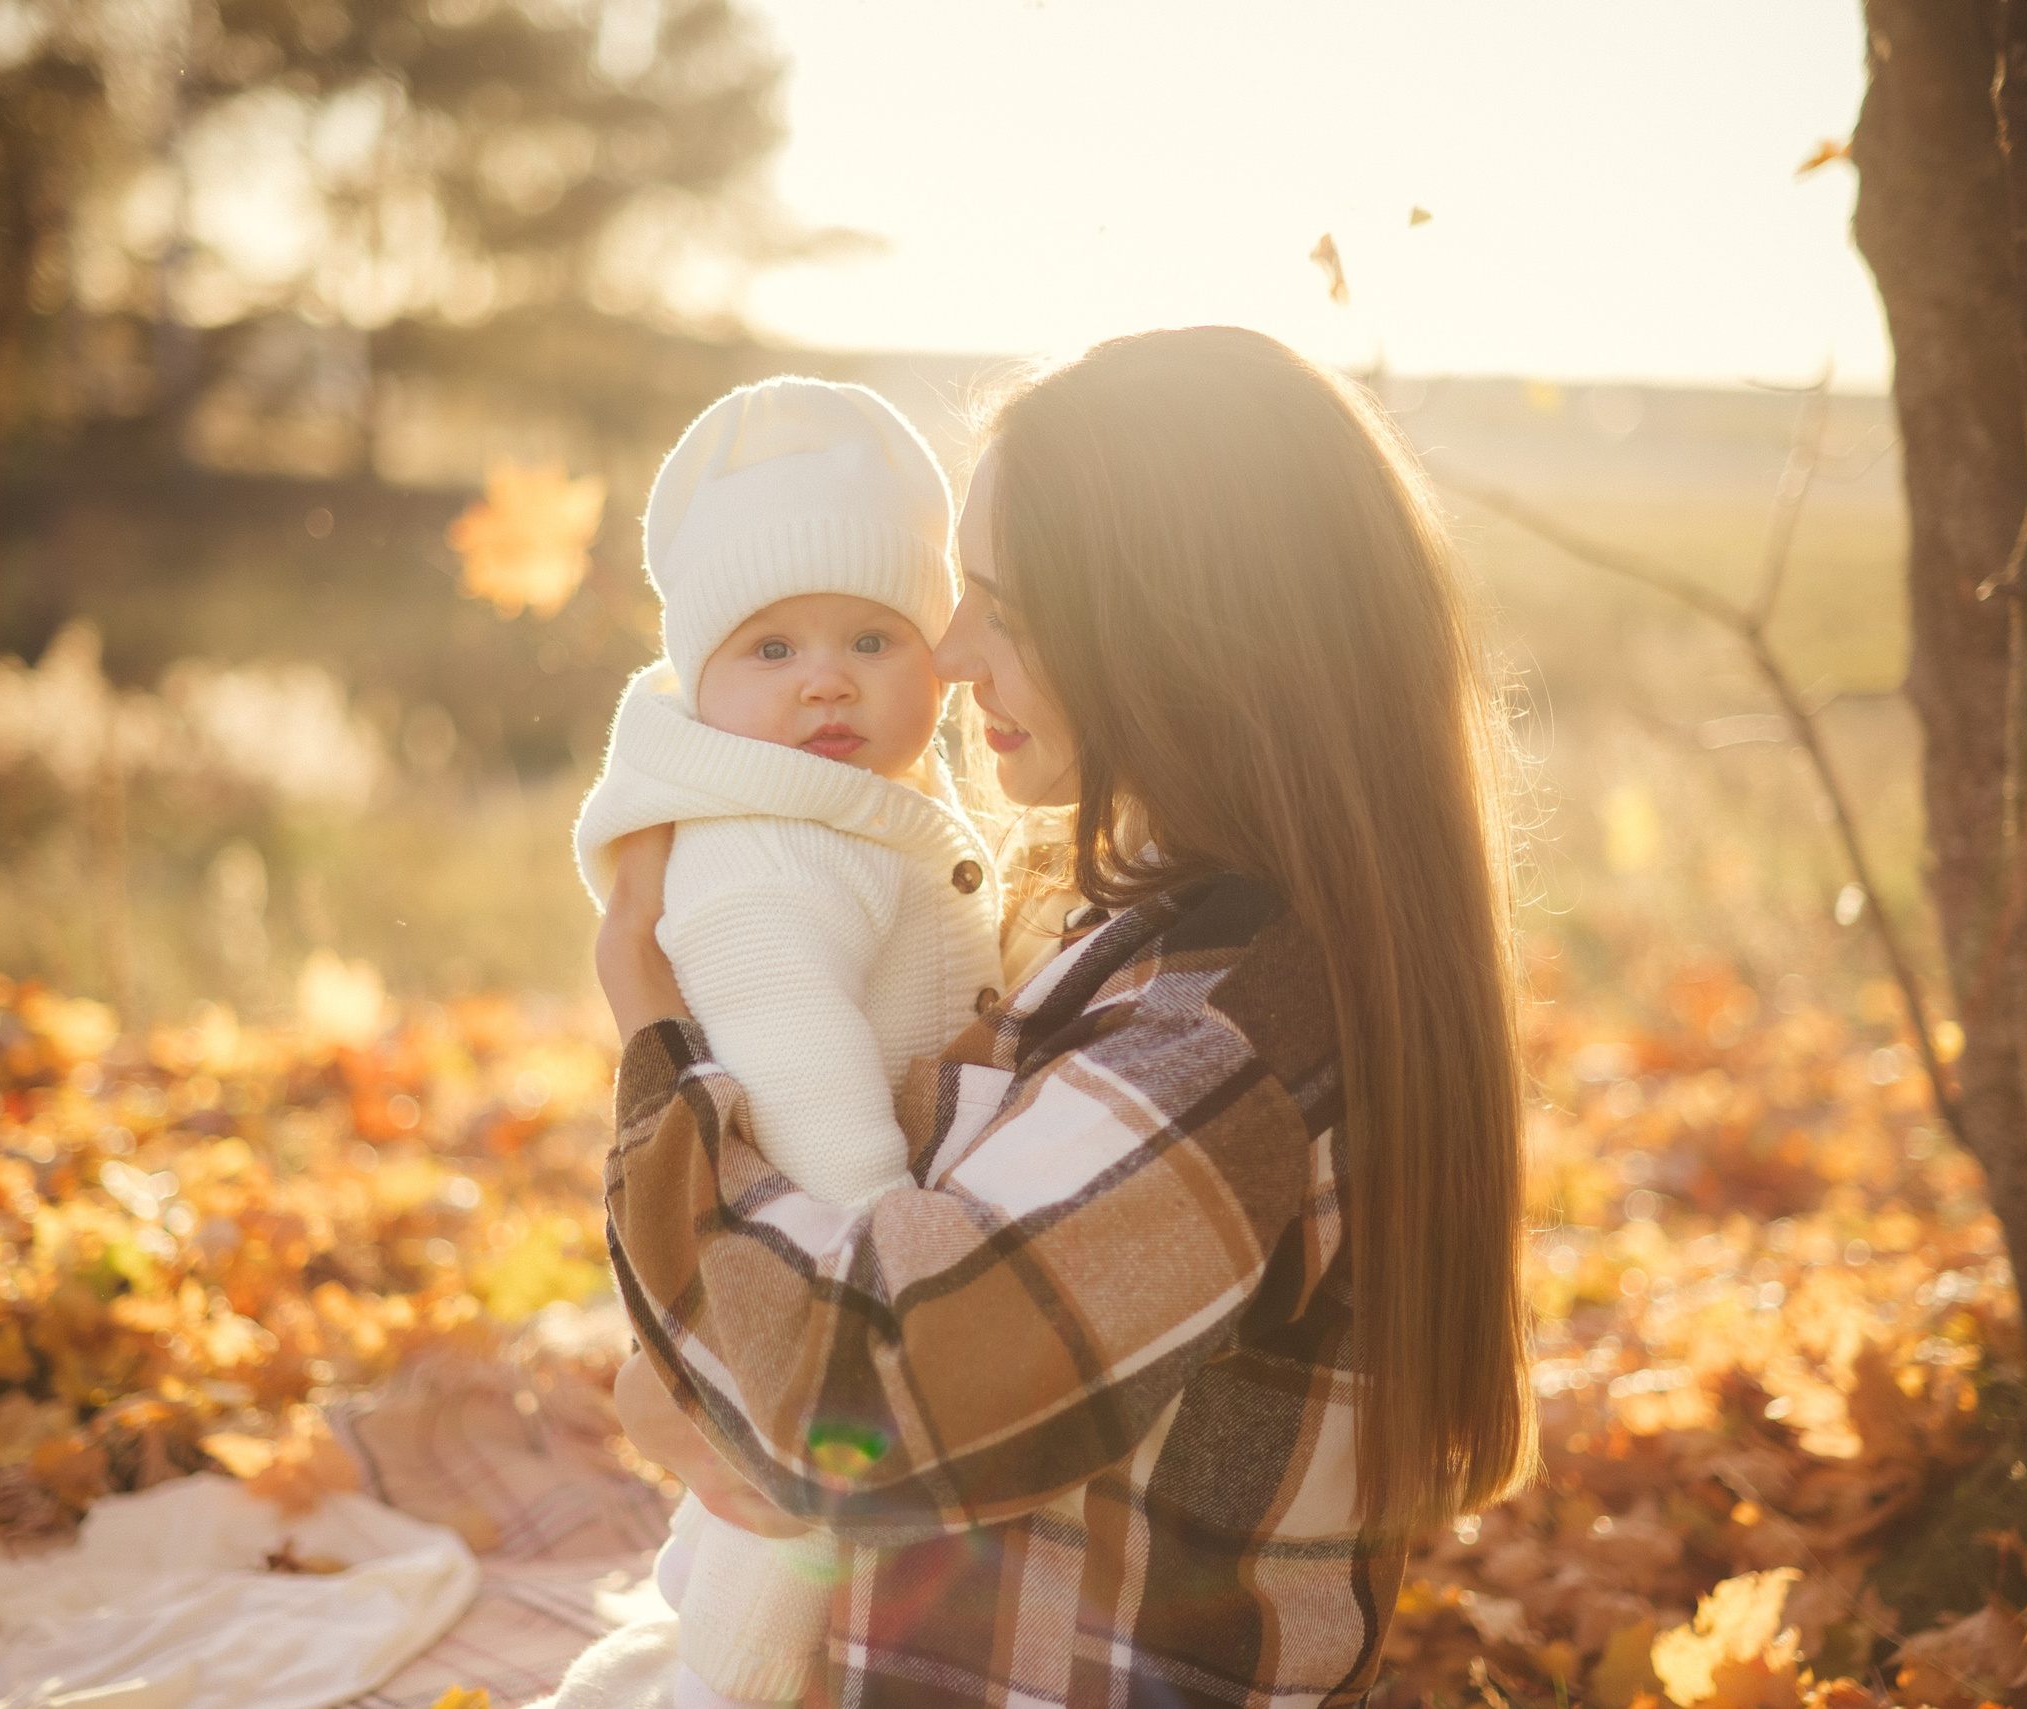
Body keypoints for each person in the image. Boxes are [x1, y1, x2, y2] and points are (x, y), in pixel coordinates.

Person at [597, 327, 1534, 1707]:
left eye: (1006, 608)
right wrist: (698, 1381)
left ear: (1170, 634)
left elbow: (869, 1395)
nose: (949, 650)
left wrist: (651, 1029)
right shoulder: (1149, 925)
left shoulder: (1227, 1036)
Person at [574, 376, 1005, 1709]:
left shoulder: (852, 809)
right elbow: (799, 1065)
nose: (827, 678)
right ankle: (728, 1678)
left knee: (770, 1505)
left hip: (824, 1246)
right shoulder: (766, 851)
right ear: (698, 679)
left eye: (874, 638)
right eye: (771, 649)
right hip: (823, 1258)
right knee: (785, 1529)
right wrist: (885, 1242)